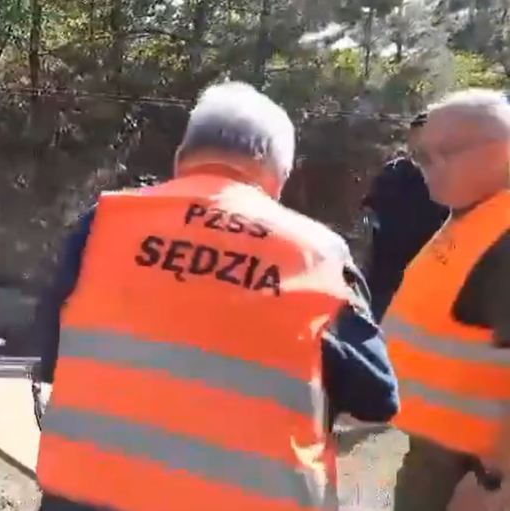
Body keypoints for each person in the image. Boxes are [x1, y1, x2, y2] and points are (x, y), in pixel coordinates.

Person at [34, 82, 399, 511]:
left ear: (181, 158)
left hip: (86, 497)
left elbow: (52, 350)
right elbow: (376, 396)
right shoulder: (318, 253)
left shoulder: (106, 221)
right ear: (276, 171)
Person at [384, 89, 510, 511]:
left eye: (445, 152)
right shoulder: (477, 214)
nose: (426, 166)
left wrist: (495, 485)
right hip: (441, 453)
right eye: (420, 154)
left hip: (472, 470)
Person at [362, 113, 449, 321]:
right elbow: (369, 211)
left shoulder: (447, 177)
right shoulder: (392, 172)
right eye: (414, 137)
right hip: (383, 278)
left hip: (426, 280)